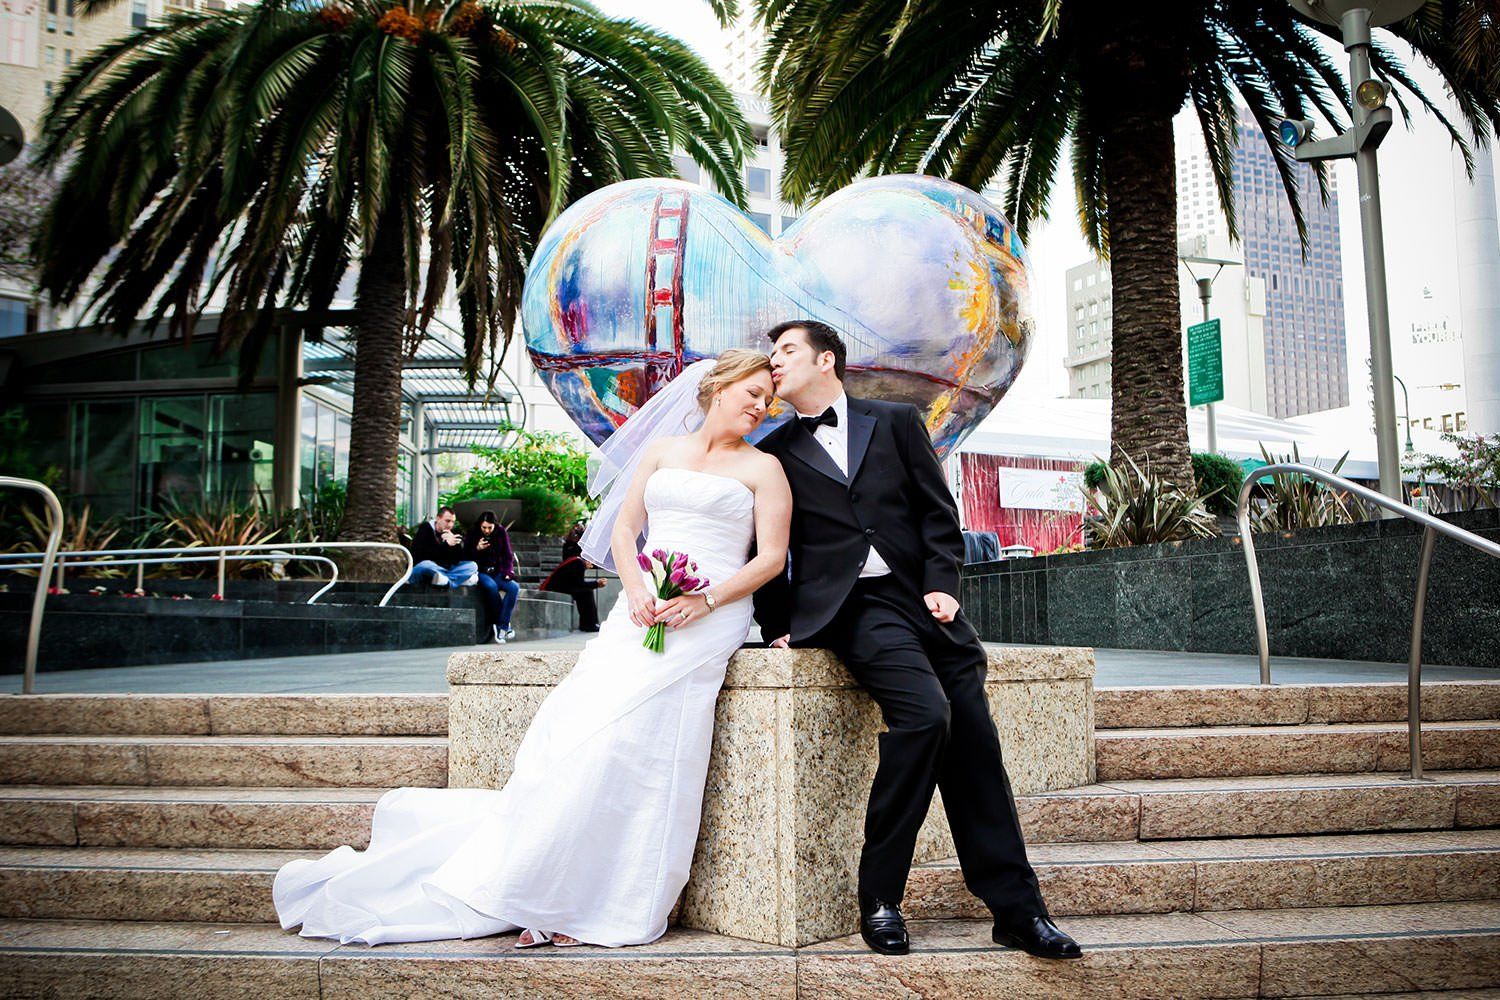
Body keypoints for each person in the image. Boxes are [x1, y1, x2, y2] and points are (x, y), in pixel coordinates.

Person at [273, 350, 791, 949]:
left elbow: (770, 557)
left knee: (648, 746)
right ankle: (542, 883)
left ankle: (611, 898)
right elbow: (625, 531)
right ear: (718, 387)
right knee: (575, 734)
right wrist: (641, 587)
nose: (761, 406)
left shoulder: (764, 469)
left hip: (708, 619)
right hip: (640, 610)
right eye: (752, 392)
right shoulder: (661, 451)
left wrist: (706, 600)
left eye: (767, 398)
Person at [753, 320, 1081, 961]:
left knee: (976, 747)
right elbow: (766, 547)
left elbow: (938, 513)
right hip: (857, 611)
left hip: (929, 607)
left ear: (827, 360)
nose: (773, 363)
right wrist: (778, 625)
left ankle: (1018, 911)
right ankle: (879, 896)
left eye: (785, 350)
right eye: (771, 355)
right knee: (926, 717)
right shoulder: (776, 451)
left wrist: (944, 584)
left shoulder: (897, 422)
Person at [465, 511, 520, 644]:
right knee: (491, 586)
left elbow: (508, 555)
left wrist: (508, 572)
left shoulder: (501, 532)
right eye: (484, 527)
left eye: (490, 527)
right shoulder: (472, 532)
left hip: (497, 571)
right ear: (480, 525)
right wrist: (477, 548)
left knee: (514, 587)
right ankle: (501, 625)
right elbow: (466, 557)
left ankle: (502, 625)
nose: (487, 530)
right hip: (480, 572)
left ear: (495, 525)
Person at [541, 522, 606, 632]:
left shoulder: (577, 562)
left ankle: (589, 624)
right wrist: (596, 583)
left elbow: (576, 583)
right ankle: (589, 625)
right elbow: (578, 584)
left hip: (561, 587)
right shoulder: (577, 562)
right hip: (555, 588)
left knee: (585, 592)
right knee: (586, 591)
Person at [408, 506, 478, 588]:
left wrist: (455, 545)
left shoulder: (451, 532)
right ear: (438, 519)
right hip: (426, 568)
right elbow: (423, 556)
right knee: (425, 565)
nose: (450, 525)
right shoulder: (425, 529)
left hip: (444, 570)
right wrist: (446, 545)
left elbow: (457, 560)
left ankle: (446, 581)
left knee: (472, 566)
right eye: (447, 521)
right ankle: (453, 580)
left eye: (453, 522)